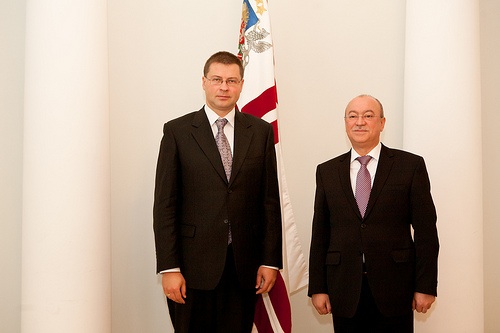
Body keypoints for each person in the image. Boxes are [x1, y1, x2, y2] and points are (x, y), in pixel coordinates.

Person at [153, 51, 282, 332]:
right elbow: (165, 204)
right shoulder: (178, 131)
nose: (224, 87)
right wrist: (170, 268)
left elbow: (269, 201)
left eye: (232, 81)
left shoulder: (260, 132)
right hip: (191, 269)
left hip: (243, 268)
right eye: (217, 79)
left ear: (241, 84)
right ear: (204, 82)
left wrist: (270, 260)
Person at [308, 94, 439, 332]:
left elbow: (426, 232)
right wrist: (318, 287)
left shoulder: (410, 166)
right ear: (345, 122)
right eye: (353, 116)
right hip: (344, 287)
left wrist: (426, 285)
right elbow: (320, 233)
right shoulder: (327, 171)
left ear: (382, 123)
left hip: (395, 287)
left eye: (368, 116)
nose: (360, 122)